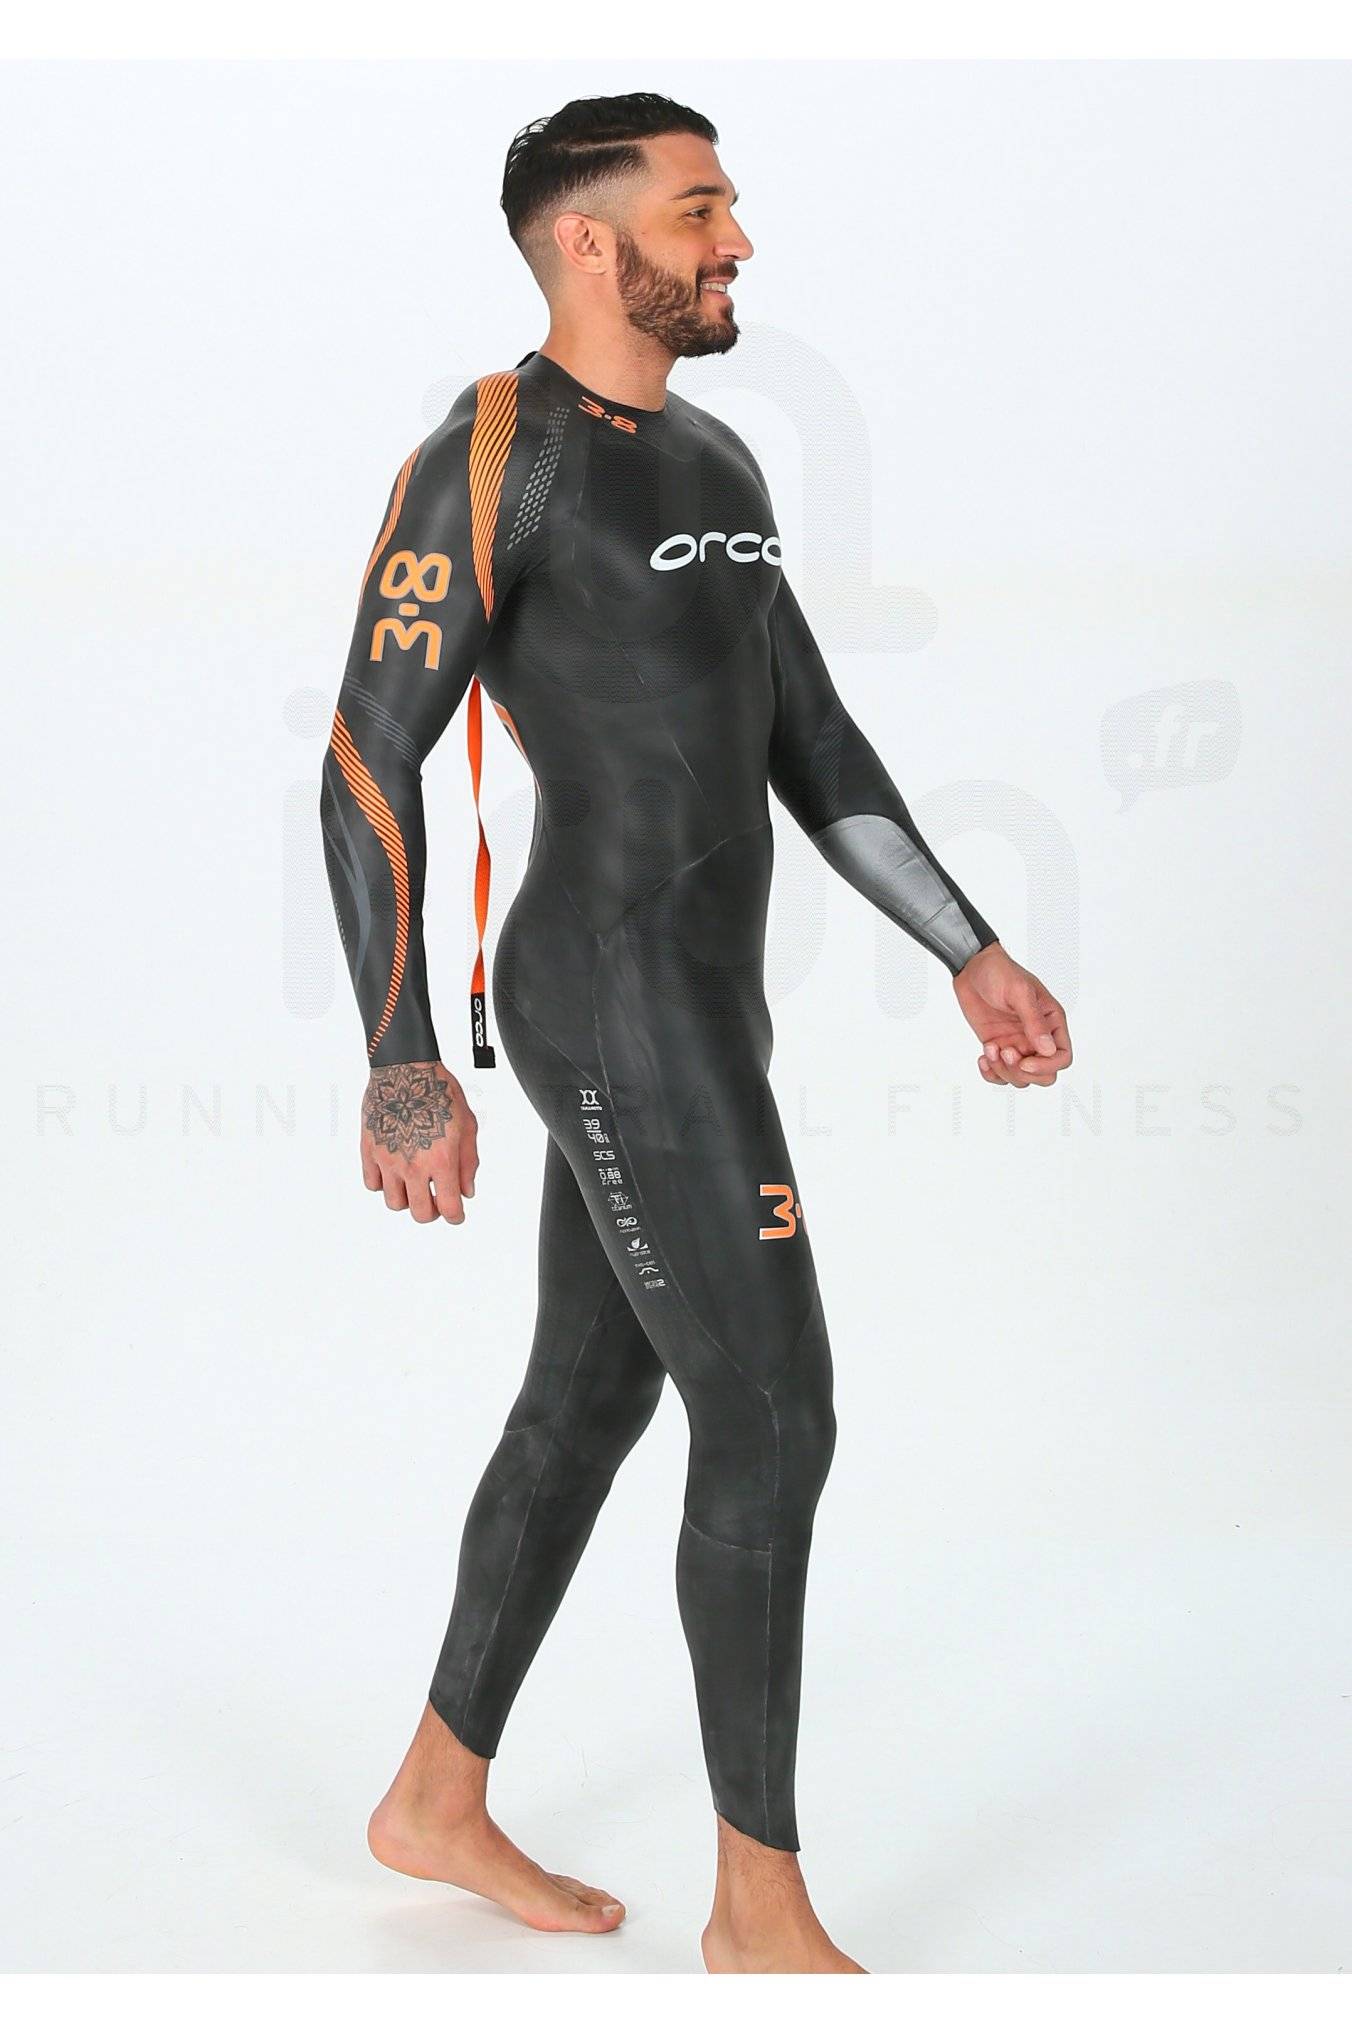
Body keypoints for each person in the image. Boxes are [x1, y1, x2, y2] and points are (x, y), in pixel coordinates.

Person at [319, 90, 1072, 1975]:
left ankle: (433, 1798)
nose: (738, 239)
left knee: (591, 1393)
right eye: (700, 208)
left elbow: (808, 734)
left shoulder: (719, 457)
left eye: (729, 206)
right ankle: (758, 1905)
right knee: (773, 1408)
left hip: (704, 998)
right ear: (590, 242)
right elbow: (366, 760)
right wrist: (403, 1057)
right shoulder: (488, 457)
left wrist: (967, 945)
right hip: (608, 996)